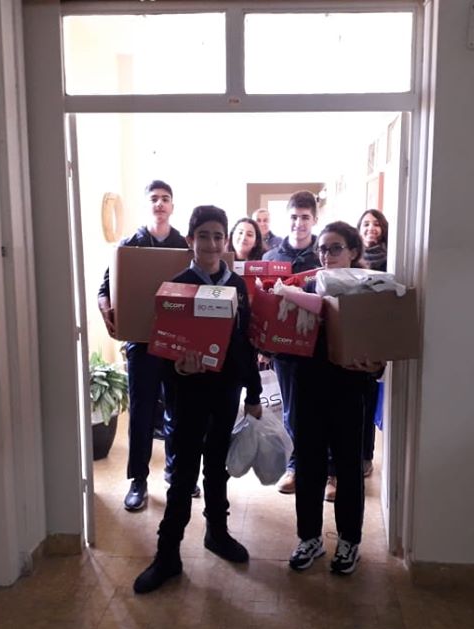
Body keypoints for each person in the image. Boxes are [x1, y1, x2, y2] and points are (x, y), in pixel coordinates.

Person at [133, 205, 263, 594]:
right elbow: (163, 348)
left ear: (226, 242)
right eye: (203, 235)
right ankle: (167, 555)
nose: (211, 243)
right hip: (188, 395)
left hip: (226, 392)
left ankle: (217, 534)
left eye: (218, 236)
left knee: (218, 468)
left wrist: (254, 392)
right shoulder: (177, 287)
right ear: (190, 240)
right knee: (183, 474)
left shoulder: (236, 285)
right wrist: (180, 368)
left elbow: (245, 342)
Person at [287, 221, 384, 575]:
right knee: (309, 466)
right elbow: (288, 341)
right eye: (323, 249)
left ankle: (349, 541)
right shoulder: (307, 287)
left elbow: (381, 344)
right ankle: (309, 538)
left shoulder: (368, 291)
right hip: (309, 389)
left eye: (336, 248)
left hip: (350, 391)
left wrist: (376, 364)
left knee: (348, 467)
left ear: (353, 251)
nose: (327, 255)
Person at [97, 180, 192, 512]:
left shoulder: (184, 246)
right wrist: (107, 311)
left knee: (178, 410)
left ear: (172, 206)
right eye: (154, 198)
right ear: (147, 205)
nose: (160, 204)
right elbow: (105, 288)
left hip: (178, 343)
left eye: (165, 198)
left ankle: (176, 472)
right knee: (141, 411)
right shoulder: (130, 245)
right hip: (141, 342)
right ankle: (138, 480)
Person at [264, 191, 322, 495]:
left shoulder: (323, 256)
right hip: (284, 348)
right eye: (294, 217)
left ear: (315, 219)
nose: (299, 223)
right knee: (291, 410)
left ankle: (328, 470)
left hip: (320, 346)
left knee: (322, 409)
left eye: (305, 218)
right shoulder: (271, 258)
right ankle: (295, 466)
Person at [356, 208, 391, 479]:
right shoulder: (352, 262)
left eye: (376, 224)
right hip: (353, 337)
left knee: (369, 403)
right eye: (366, 224)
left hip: (377, 337)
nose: (371, 228)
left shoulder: (392, 258)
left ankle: (366, 456)